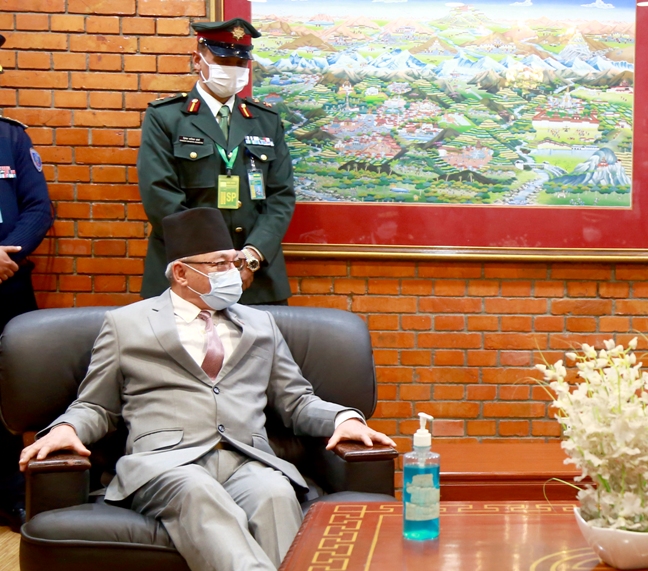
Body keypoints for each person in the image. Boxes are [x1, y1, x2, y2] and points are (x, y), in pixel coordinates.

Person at [19, 207, 394, 571]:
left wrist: (343, 419)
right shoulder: (125, 324)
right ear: (182, 273)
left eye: (235, 261)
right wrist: (67, 428)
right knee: (199, 492)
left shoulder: (260, 325)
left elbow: (296, 400)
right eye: (219, 264)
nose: (234, 272)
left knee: (275, 493)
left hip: (247, 460)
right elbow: (96, 405)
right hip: (166, 463)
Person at [138, 18, 294, 305]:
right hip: (186, 273)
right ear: (198, 60)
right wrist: (215, 263)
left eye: (240, 62)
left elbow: (281, 197)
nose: (232, 69)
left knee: (261, 337)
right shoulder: (166, 117)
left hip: (256, 277)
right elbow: (160, 196)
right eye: (223, 60)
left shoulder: (266, 120)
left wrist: (251, 256)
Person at [0, 32, 55, 531]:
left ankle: (11, 496)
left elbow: (39, 207)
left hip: (7, 283)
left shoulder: (11, 137)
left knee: (9, 394)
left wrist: (5, 255)